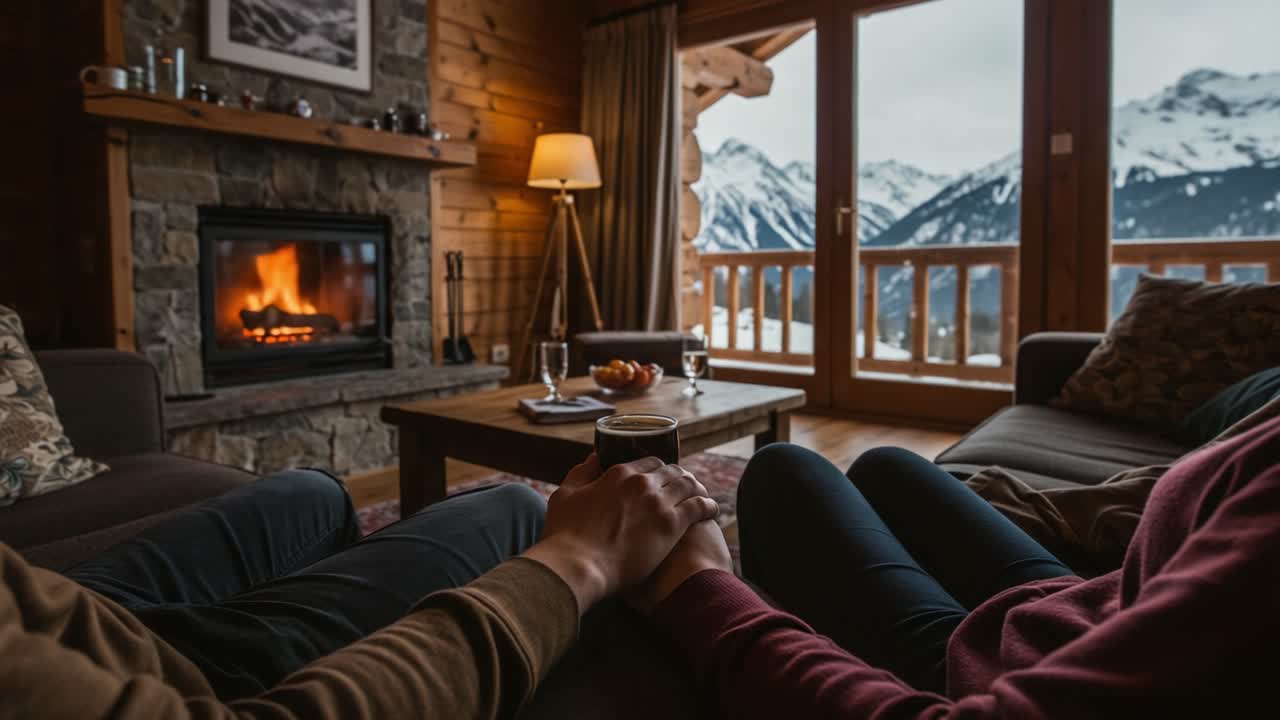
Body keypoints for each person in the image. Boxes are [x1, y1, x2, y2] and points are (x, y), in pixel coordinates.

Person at [636, 414, 1280, 718]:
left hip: (1022, 671)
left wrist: (706, 591)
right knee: (886, 465)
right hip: (1097, 603)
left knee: (783, 469)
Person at [0, 457, 719, 718]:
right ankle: (322, 634)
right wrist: (579, 560)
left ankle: (324, 606)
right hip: (171, 679)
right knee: (514, 507)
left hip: (50, 605)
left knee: (310, 493)